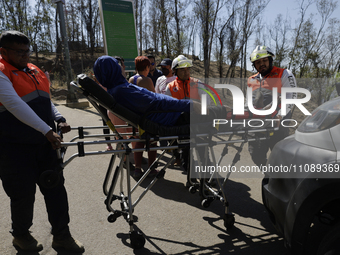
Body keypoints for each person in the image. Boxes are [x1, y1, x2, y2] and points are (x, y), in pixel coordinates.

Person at [0, 31, 84, 253]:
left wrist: (58, 118)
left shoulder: (33, 70)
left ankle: (62, 236)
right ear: (3, 51)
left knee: (55, 189)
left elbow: (45, 99)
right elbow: (14, 104)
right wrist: (47, 130)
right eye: (19, 52)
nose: (25, 56)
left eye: (27, 51)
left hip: (44, 145)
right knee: (22, 195)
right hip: (13, 147)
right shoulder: (1, 72)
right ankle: (21, 236)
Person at [247, 45, 297, 167]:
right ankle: (269, 174)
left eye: (264, 60)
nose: (261, 64)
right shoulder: (251, 79)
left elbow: (291, 97)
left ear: (270, 60)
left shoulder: (284, 73)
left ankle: (277, 179)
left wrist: (280, 115)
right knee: (255, 155)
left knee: (279, 156)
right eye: (258, 62)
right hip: (257, 124)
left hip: (278, 122)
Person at [165, 55, 211, 170]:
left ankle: (207, 176)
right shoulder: (170, 87)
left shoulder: (197, 83)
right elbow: (167, 108)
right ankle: (189, 173)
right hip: (182, 125)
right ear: (175, 70)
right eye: (182, 70)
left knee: (203, 151)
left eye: (188, 69)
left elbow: (207, 102)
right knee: (186, 151)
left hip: (198, 123)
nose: (186, 72)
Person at [128, 56, 158, 178]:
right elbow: (155, 97)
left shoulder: (131, 79)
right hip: (147, 116)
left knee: (138, 142)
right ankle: (151, 169)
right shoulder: (147, 80)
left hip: (135, 115)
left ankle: (137, 169)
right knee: (152, 142)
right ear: (146, 67)